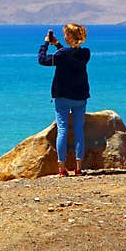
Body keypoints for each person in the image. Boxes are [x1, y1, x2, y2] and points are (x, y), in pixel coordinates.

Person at [38, 23, 90, 177]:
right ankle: (79, 167)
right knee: (79, 130)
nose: (64, 37)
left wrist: (46, 43)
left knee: (63, 130)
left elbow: (42, 60)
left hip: (62, 97)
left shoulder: (61, 56)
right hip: (80, 97)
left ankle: (62, 168)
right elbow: (69, 54)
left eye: (66, 34)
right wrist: (57, 44)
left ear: (70, 37)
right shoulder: (86, 53)